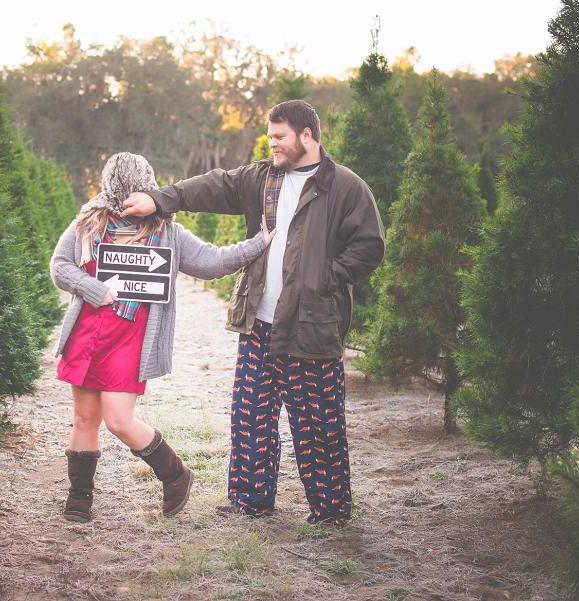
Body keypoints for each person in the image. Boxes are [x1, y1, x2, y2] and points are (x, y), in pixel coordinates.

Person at [121, 100, 385, 527]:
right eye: (270, 136)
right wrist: (158, 199)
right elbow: (208, 186)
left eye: (279, 136)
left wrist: (326, 277)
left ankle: (331, 513)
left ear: (306, 135)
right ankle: (250, 502)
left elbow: (370, 245)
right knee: (250, 415)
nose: (272, 143)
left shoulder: (345, 187)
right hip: (258, 321)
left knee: (318, 424)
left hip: (311, 327)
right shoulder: (261, 178)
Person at [50, 152, 275, 523]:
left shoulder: (167, 231)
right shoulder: (88, 221)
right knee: (84, 417)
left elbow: (211, 262)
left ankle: (175, 475)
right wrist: (91, 287)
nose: (129, 200)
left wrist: (257, 244)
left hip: (130, 337)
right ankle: (79, 498)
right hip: (87, 334)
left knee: (119, 421)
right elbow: (61, 267)